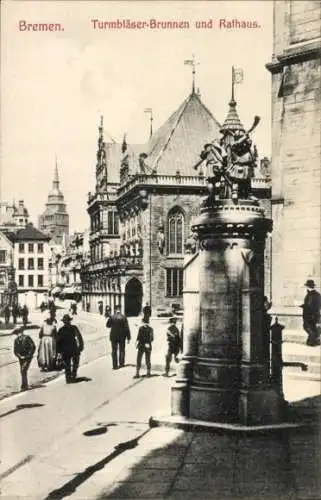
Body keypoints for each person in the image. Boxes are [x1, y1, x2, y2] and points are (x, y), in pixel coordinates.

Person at [56, 314, 84, 383]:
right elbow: (79, 337)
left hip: (68, 349)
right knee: (74, 363)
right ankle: (72, 376)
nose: (67, 322)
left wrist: (58, 351)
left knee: (68, 364)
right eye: (67, 321)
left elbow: (58, 341)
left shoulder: (61, 330)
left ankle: (69, 378)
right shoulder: (73, 328)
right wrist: (80, 346)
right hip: (72, 348)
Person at [106, 305, 131, 369]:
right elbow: (126, 328)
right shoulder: (124, 317)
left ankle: (115, 366)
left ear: (115, 310)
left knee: (114, 350)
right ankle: (121, 364)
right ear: (120, 309)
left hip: (113, 336)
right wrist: (128, 337)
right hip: (122, 336)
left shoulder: (112, 317)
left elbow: (107, 325)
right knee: (122, 350)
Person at [13, 326, 36, 391]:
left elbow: (33, 347)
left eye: (18, 332)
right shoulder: (16, 340)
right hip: (21, 358)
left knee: (23, 370)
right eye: (17, 333)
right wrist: (20, 356)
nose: (18, 334)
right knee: (22, 371)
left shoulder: (27, 338)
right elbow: (15, 351)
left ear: (21, 332)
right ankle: (24, 385)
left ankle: (24, 386)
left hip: (27, 357)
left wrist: (28, 356)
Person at [300, 279, 321, 346]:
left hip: (310, 316)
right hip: (314, 315)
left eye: (306, 286)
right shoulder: (316, 294)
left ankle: (313, 341)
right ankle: (314, 340)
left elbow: (311, 306)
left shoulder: (312, 295)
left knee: (308, 327)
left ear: (308, 287)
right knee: (311, 328)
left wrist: (304, 306)